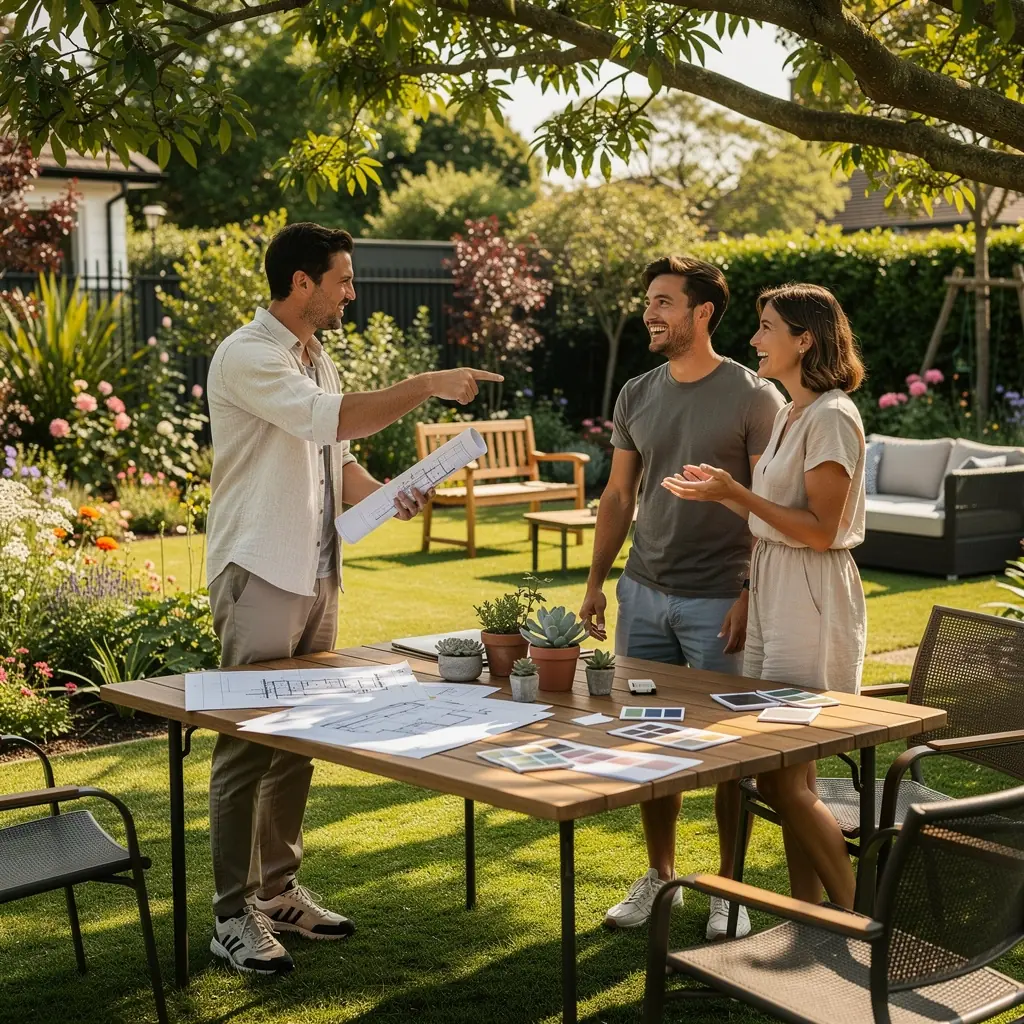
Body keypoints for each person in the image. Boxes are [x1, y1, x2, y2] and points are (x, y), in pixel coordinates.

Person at [204, 222, 502, 974]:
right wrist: (430, 385)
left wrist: (394, 492)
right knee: (247, 741)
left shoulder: (319, 361)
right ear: (300, 283)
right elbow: (326, 421)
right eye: (341, 278)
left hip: (317, 574)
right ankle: (229, 913)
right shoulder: (248, 355)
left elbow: (337, 460)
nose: (350, 292)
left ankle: (277, 893)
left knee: (299, 736)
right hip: (260, 571)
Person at [579, 256, 784, 938]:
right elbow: (616, 495)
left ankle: (729, 885)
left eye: (664, 302)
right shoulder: (637, 392)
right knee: (647, 741)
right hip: (643, 593)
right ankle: (661, 876)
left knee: (731, 751)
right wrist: (596, 583)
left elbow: (769, 506)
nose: (650, 313)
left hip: (719, 599)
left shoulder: (756, 396)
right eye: (649, 302)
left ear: (702, 313)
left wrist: (749, 593)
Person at [662, 282, 867, 909]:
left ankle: (858, 915)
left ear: (805, 340)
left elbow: (821, 529)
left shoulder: (831, 415)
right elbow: (776, 522)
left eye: (767, 327)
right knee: (785, 773)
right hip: (776, 587)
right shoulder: (789, 412)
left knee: (784, 776)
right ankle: (809, 915)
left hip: (812, 595)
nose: (753, 339)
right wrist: (749, 590)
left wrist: (734, 493)